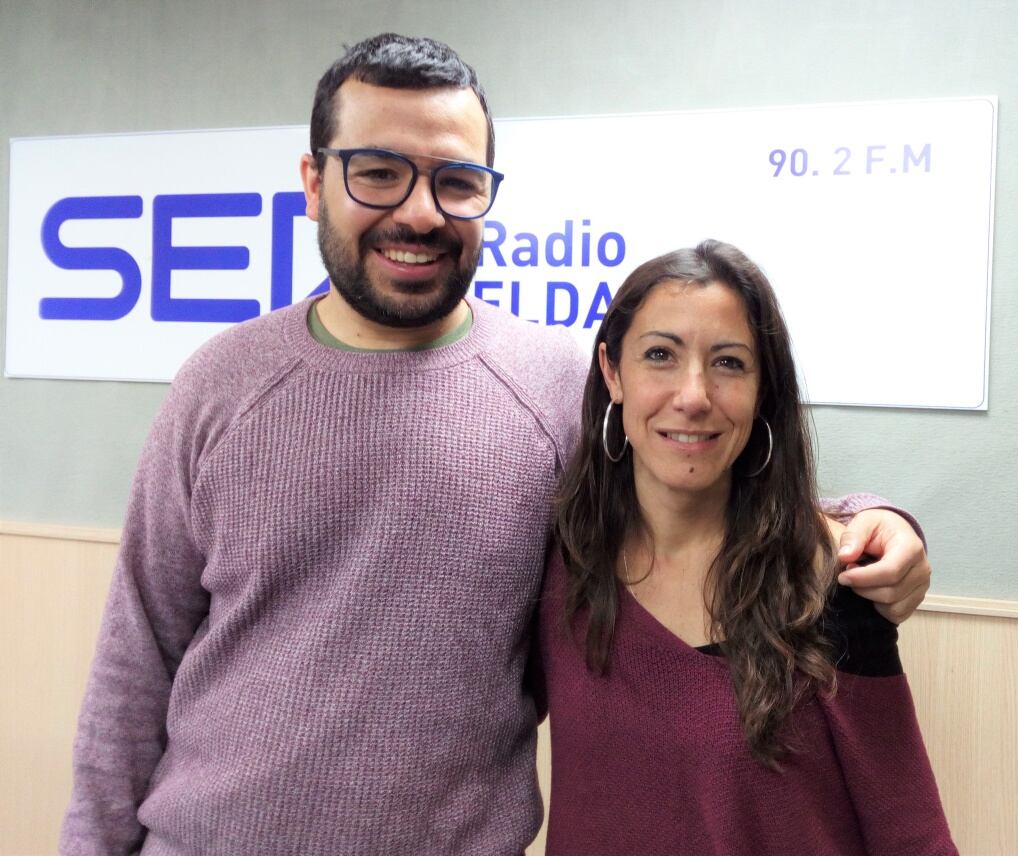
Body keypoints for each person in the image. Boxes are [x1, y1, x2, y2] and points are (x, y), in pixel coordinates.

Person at [61, 35, 932, 856]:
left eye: (455, 181)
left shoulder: (555, 388)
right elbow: (134, 665)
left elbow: (696, 478)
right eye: (378, 173)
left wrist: (871, 520)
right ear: (313, 182)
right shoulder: (218, 386)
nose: (418, 212)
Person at [538, 240, 956, 854]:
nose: (694, 395)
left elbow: (910, 831)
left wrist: (876, 517)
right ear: (612, 371)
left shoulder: (826, 576)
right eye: (660, 355)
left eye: (729, 363)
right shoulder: (561, 560)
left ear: (763, 388)